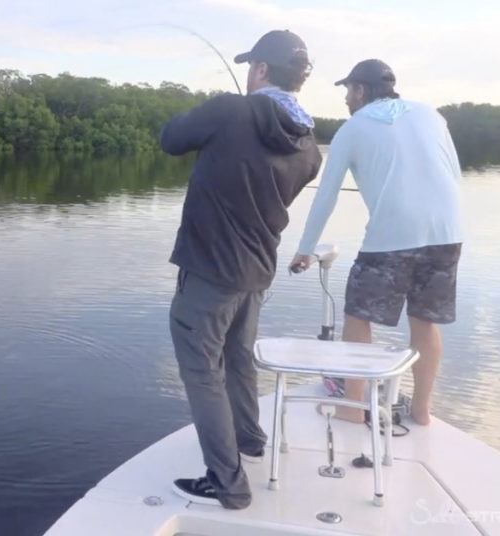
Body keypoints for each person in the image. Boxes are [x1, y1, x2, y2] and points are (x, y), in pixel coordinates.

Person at [161, 30, 323, 509]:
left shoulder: (230, 110)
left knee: (201, 370)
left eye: (253, 64)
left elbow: (172, 138)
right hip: (255, 271)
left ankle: (227, 483)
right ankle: (250, 440)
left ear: (263, 70)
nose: (251, 71)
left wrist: (189, 110)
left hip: (209, 271)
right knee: (237, 358)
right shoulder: (310, 149)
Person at [289, 59, 464, 426]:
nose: (346, 99)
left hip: (391, 239)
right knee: (424, 321)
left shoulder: (352, 129)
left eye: (348, 91)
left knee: (358, 316)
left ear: (361, 91)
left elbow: (326, 196)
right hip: (447, 234)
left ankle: (353, 409)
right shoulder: (431, 115)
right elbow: (453, 172)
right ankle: (421, 412)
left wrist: (305, 249)